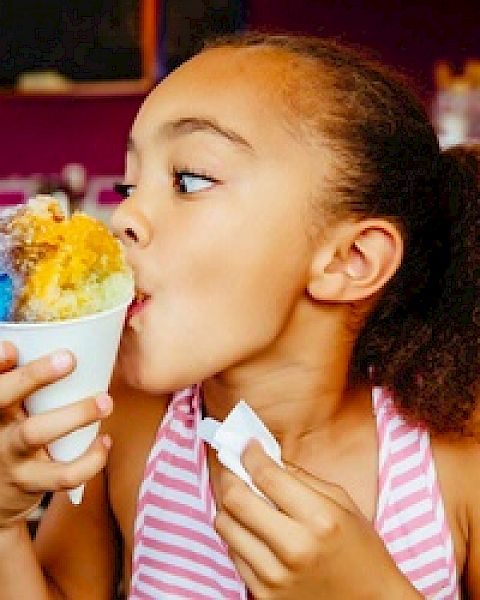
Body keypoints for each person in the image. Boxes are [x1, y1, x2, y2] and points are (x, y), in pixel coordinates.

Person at [0, 33, 478, 599]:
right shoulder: (125, 423)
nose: (125, 212)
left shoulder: (457, 454)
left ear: (350, 260)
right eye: (131, 183)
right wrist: (5, 525)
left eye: (189, 181)